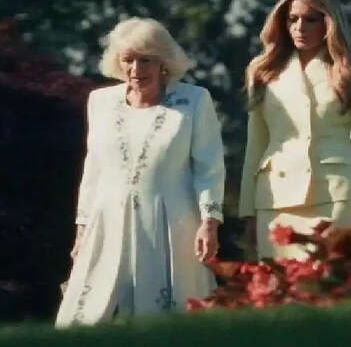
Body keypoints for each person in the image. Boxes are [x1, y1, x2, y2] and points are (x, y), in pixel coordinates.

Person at [55, 18, 224, 327]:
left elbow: (209, 166)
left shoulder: (195, 100)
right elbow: (93, 170)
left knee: (173, 322)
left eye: (145, 60)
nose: (136, 69)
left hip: (172, 224)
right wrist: (82, 229)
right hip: (107, 222)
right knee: (87, 317)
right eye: (128, 60)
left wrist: (210, 223)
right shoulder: (100, 102)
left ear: (163, 63)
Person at [238, 0, 351, 260]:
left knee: (335, 291)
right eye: (293, 19)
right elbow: (255, 145)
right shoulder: (261, 70)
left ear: (329, 23)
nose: (300, 26)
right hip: (276, 199)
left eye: (311, 19)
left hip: (341, 195)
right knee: (276, 294)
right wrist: (248, 211)